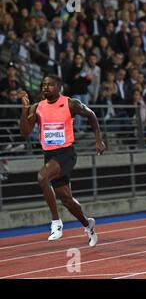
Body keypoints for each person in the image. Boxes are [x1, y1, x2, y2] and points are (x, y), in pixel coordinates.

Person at [19, 75, 106, 247]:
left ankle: (56, 222)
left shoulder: (70, 103)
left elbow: (91, 115)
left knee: (42, 177)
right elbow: (25, 132)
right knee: (67, 200)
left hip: (66, 153)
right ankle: (88, 225)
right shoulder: (37, 108)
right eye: (43, 85)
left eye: (50, 85)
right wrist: (24, 110)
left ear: (59, 87)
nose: (45, 87)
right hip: (49, 155)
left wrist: (98, 139)